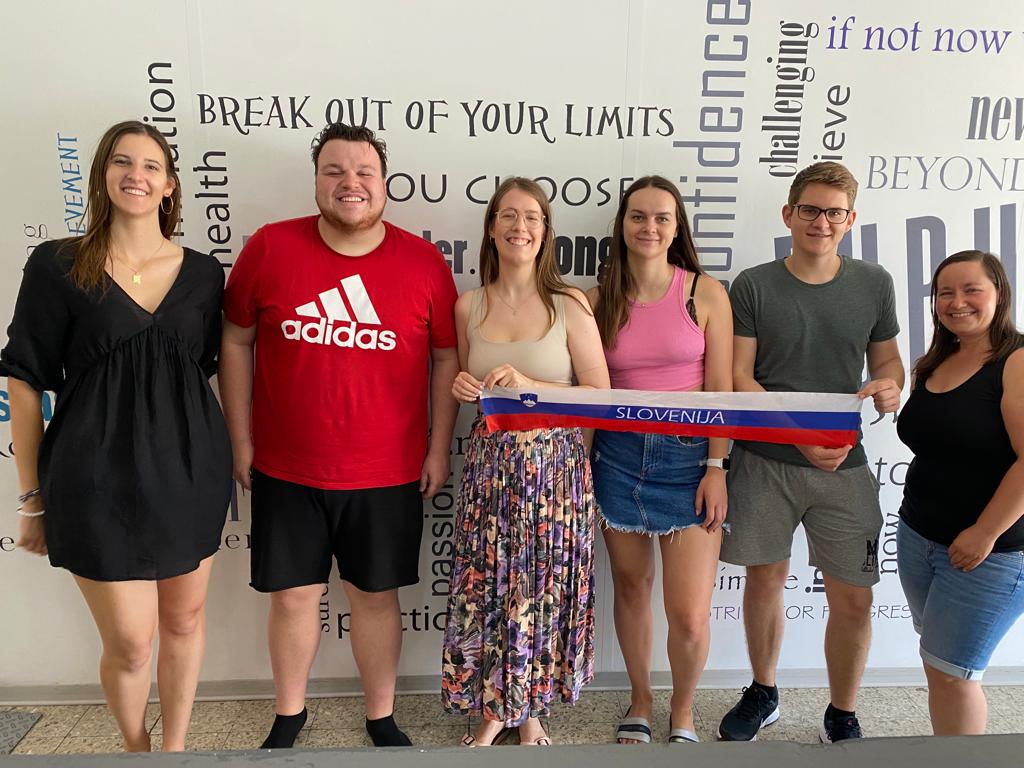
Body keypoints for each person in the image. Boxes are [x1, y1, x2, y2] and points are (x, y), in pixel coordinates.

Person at [219, 123, 459, 749]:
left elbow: (445, 358)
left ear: (384, 183)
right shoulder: (269, 248)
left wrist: (437, 448)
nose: (350, 183)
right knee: (293, 599)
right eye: (334, 171)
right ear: (317, 181)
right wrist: (240, 440)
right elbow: (236, 340)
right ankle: (288, 714)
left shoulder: (423, 263)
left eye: (363, 172)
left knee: (375, 598)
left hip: (386, 471)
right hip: (286, 468)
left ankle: (381, 716)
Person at [1, 120, 231, 752]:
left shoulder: (204, 274)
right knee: (130, 642)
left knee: (183, 621)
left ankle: (174, 751)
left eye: (152, 165)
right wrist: (31, 497)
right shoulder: (57, 264)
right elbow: (25, 379)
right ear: (102, 175)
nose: (137, 175)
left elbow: (200, 367)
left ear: (170, 185)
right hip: (93, 474)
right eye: (122, 162)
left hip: (189, 470)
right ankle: (136, 750)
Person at [718, 161, 904, 743]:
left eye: (833, 213)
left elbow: (888, 361)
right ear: (788, 214)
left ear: (851, 219)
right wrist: (797, 434)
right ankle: (764, 691)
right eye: (810, 210)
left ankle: (842, 712)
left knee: (854, 595)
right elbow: (740, 378)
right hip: (764, 460)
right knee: (765, 581)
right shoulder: (753, 284)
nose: (821, 222)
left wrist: (891, 386)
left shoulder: (874, 283)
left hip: (843, 463)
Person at [443, 177, 609, 747]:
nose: (520, 226)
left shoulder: (569, 303)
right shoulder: (468, 305)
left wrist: (531, 385)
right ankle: (494, 709)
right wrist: (463, 386)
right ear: (491, 228)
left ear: (545, 230)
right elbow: (464, 382)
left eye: (532, 216)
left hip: (555, 470)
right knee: (490, 586)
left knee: (541, 587)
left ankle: (532, 708)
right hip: (490, 469)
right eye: (509, 215)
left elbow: (600, 396)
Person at [586, 176, 731, 745]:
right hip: (617, 456)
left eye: (662, 218)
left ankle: (683, 711)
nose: (649, 227)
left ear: (677, 228)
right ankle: (641, 700)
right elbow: (585, 389)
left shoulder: (704, 294)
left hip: (690, 461)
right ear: (622, 225)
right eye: (638, 216)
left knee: (690, 613)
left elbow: (721, 391)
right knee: (630, 586)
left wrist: (717, 468)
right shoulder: (595, 300)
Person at [896, 250, 1024, 735]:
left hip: (990, 552)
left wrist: (985, 532)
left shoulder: (1016, 361)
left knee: (953, 675)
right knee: (939, 663)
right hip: (919, 536)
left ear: (999, 294)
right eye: (945, 292)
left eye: (972, 290)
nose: (957, 302)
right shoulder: (934, 361)